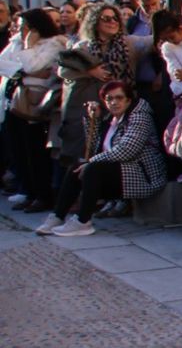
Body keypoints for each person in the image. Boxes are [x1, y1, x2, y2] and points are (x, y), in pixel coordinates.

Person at [37, 80, 167, 237]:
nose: (114, 102)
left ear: (128, 99)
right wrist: (94, 120)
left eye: (119, 98)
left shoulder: (140, 117)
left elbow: (126, 150)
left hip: (142, 176)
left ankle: (82, 221)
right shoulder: (110, 119)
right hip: (118, 173)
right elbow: (92, 149)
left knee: (91, 167)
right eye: (109, 99)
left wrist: (90, 162)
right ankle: (57, 216)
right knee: (76, 167)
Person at [1, 9, 72, 210]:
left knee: (36, 152)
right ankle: (28, 190)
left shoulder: (54, 43)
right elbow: (3, 62)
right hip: (17, 99)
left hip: (38, 104)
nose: (21, 30)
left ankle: (43, 194)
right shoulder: (17, 40)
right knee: (19, 150)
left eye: (25, 27)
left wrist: (28, 49)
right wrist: (22, 70)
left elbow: (34, 66)